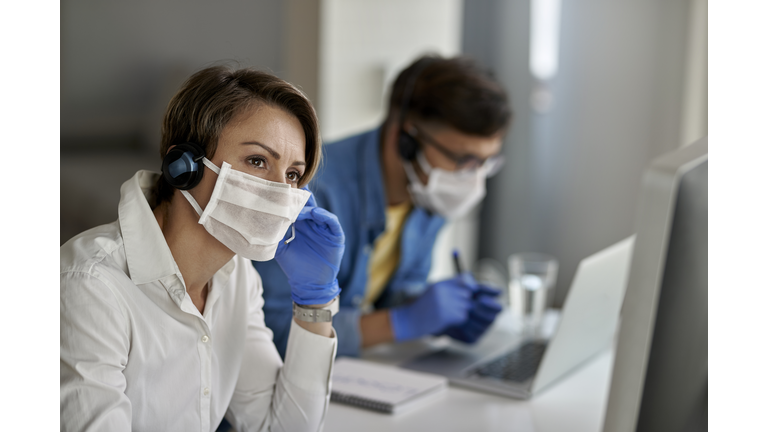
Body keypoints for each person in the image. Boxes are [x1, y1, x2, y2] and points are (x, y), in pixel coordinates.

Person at [60, 66, 345, 431]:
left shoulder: (239, 277)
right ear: (184, 168)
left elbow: (281, 426)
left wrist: (314, 304)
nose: (281, 193)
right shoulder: (90, 286)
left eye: (292, 175)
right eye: (258, 161)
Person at [254, 54, 512, 358]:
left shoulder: (429, 193)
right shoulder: (311, 192)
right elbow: (275, 331)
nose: (473, 179)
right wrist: (401, 322)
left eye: (485, 163)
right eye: (463, 161)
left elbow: (397, 292)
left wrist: (443, 313)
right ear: (405, 137)